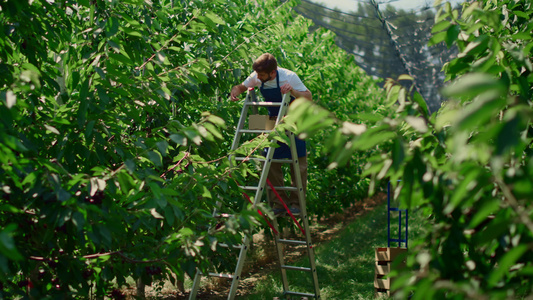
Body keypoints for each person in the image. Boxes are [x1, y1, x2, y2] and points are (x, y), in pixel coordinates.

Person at [230, 53, 312, 217]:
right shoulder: (258, 76)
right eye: (257, 75)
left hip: (294, 121)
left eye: (262, 75)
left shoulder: (289, 77)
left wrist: (293, 92)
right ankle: (279, 203)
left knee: (298, 163)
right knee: (267, 157)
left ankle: (297, 203)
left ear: (273, 73)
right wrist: (235, 91)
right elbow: (241, 86)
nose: (258, 78)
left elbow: (308, 98)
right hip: (273, 120)